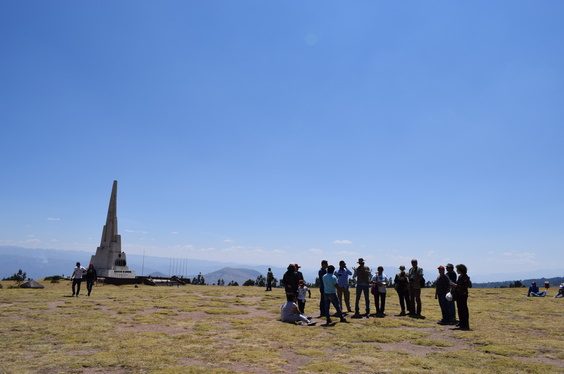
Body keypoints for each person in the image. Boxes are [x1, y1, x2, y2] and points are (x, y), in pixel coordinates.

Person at [451, 264, 471, 330]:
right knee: (459, 309)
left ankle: (465, 324)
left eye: (457, 269)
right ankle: (461, 322)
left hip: (463, 295)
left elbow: (464, 286)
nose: (456, 270)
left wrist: (456, 286)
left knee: (463, 309)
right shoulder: (461, 276)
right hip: (459, 295)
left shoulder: (465, 277)